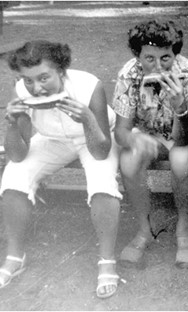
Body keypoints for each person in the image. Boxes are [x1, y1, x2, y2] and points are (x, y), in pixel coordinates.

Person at [0, 40, 122, 299]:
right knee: (14, 175)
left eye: (44, 78)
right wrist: (12, 123)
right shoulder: (22, 90)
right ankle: (14, 255)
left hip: (94, 136)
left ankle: (106, 259)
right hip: (52, 139)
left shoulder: (90, 85)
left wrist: (87, 117)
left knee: (102, 183)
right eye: (29, 80)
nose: (36, 88)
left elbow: (101, 149)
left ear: (62, 72)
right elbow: (18, 154)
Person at [112, 19, 188, 269]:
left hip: (180, 131)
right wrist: (134, 138)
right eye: (149, 58)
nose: (158, 65)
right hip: (146, 131)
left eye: (166, 57)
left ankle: (184, 228)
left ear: (176, 54)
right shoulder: (128, 75)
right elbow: (121, 130)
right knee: (129, 161)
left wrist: (180, 107)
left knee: (180, 160)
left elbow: (184, 137)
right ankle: (144, 228)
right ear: (137, 55)